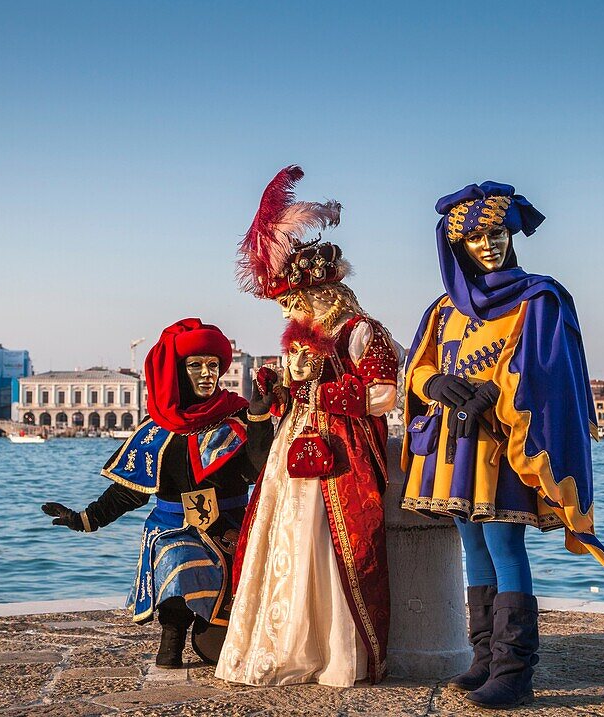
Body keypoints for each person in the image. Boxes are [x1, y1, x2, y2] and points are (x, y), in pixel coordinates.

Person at [402, 181, 604, 709]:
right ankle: (483, 659)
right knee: (474, 548)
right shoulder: (444, 309)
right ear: (458, 246)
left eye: (499, 233)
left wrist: (494, 391)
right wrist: (435, 384)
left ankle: (513, 670)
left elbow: (549, 370)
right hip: (455, 448)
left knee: (506, 547)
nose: (491, 245)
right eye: (478, 238)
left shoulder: (539, 298)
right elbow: (418, 367)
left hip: (508, 446)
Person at [215, 165, 399, 687]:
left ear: (321, 296)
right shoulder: (300, 339)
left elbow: (386, 394)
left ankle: (334, 649)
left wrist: (320, 392)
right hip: (294, 451)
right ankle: (284, 640)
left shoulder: (364, 332)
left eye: (293, 304)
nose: (286, 315)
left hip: (343, 457)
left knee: (332, 544)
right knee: (287, 540)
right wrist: (278, 394)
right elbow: (292, 400)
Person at [42, 318, 274, 668]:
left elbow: (261, 471)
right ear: (177, 372)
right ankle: (172, 637)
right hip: (172, 527)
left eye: (213, 365)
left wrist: (259, 420)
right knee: (176, 558)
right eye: (196, 365)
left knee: (216, 647)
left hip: (232, 527)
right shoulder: (156, 431)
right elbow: (129, 492)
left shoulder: (239, 416)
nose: (208, 374)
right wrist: (84, 519)